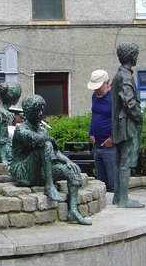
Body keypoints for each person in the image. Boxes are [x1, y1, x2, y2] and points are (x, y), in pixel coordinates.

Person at [10, 94, 91, 225]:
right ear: (28, 113)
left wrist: (68, 161)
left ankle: (73, 211)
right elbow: (39, 140)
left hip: (40, 173)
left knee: (71, 172)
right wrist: (51, 140)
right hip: (23, 173)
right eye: (37, 111)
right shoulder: (21, 130)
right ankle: (49, 186)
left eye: (42, 110)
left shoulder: (42, 129)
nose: (41, 114)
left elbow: (56, 152)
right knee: (45, 144)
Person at [110, 42, 145, 208]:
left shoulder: (119, 75)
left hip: (120, 124)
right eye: (136, 53)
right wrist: (139, 117)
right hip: (126, 125)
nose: (137, 56)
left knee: (119, 161)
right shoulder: (125, 76)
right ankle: (123, 199)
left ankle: (118, 197)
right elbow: (129, 103)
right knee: (126, 160)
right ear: (131, 56)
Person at [87, 69, 117, 194]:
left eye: (98, 87)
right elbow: (94, 115)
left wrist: (113, 138)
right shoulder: (95, 96)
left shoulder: (115, 98)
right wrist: (91, 133)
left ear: (106, 83)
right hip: (97, 144)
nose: (96, 90)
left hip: (110, 146)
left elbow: (121, 120)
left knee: (113, 183)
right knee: (101, 183)